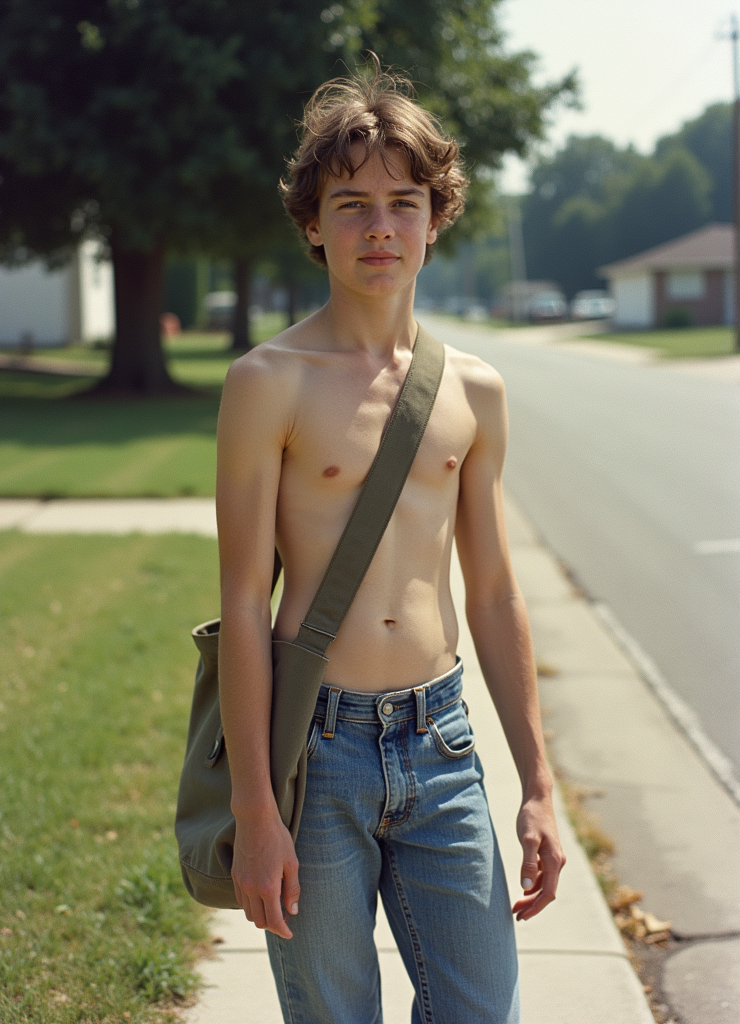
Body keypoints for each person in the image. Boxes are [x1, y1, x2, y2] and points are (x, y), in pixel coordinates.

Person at [215, 67, 566, 1024]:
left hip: (444, 742)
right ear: (312, 223)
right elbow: (244, 600)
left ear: (435, 219)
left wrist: (538, 785)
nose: (380, 228)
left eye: (403, 204)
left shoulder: (476, 392)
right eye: (353, 204)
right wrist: (254, 807)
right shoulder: (267, 382)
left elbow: (492, 592)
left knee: (479, 1009)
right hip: (314, 748)